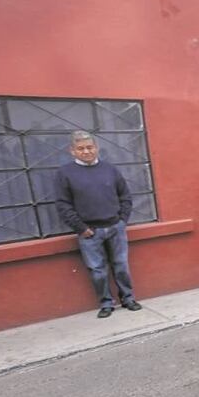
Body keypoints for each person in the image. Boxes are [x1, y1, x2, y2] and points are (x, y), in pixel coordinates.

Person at [55, 131, 141, 318]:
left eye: (89, 147)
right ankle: (106, 303)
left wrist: (121, 221)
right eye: (81, 148)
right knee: (97, 270)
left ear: (96, 148)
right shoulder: (65, 174)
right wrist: (81, 228)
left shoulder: (110, 169)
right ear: (72, 151)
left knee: (121, 266)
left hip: (115, 227)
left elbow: (125, 196)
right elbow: (63, 204)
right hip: (89, 232)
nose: (86, 151)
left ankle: (128, 298)